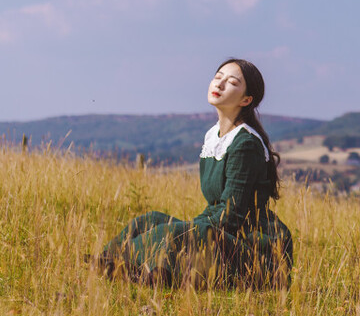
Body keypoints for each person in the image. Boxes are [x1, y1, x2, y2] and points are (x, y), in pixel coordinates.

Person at [95, 58, 293, 288]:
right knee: (149, 220)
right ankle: (113, 262)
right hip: (222, 228)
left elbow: (233, 213)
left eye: (231, 82)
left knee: (176, 233)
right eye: (218, 77)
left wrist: (193, 227)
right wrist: (194, 226)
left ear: (246, 100)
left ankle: (154, 272)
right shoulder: (213, 136)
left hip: (252, 243)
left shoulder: (246, 143)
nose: (219, 85)